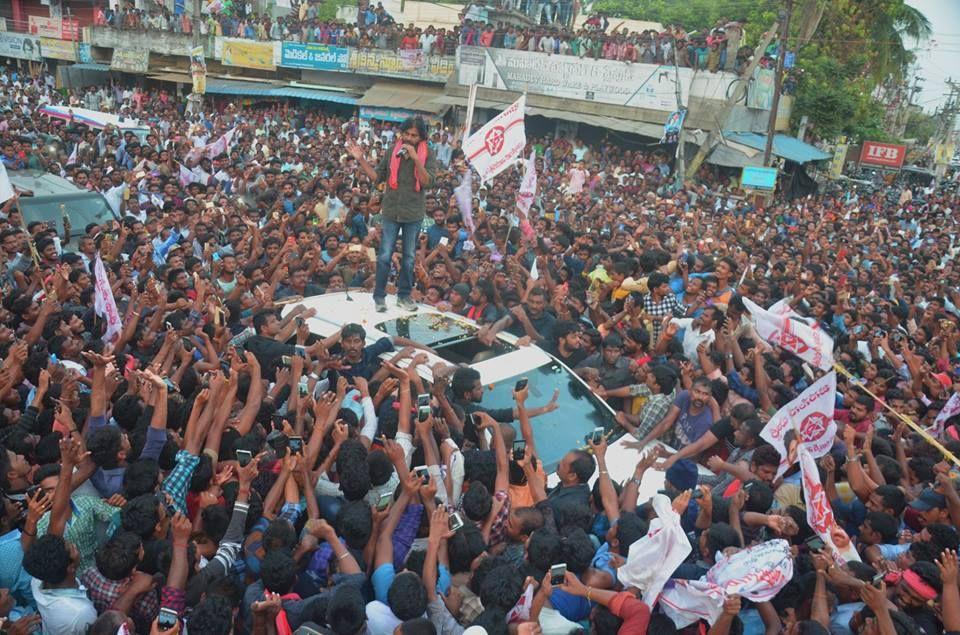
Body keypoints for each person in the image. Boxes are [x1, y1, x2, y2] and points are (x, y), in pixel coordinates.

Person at [347, 116, 437, 313]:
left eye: (414, 135)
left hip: (413, 213)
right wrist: (361, 159)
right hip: (391, 211)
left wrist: (415, 159)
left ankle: (404, 296)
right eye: (406, 134)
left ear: (421, 138)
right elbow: (377, 178)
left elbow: (428, 182)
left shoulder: (428, 154)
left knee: (409, 257)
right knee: (385, 254)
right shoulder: (392, 152)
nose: (409, 138)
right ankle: (379, 297)